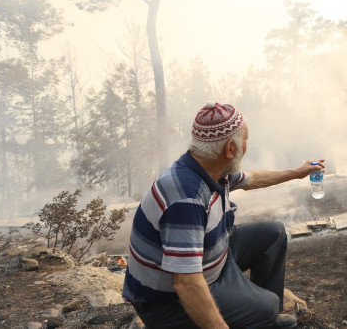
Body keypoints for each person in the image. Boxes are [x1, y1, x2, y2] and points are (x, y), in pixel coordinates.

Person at [122, 101, 323, 329]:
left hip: (213, 258)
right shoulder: (186, 198)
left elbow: (253, 179)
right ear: (230, 149)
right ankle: (263, 314)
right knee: (266, 305)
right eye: (244, 141)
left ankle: (264, 318)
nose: (246, 146)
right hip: (167, 302)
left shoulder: (211, 169)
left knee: (273, 233)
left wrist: (298, 172)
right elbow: (186, 283)